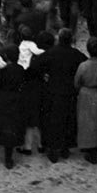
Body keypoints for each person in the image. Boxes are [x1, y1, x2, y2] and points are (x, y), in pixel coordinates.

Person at [34, 27, 84, 162]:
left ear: (58, 39)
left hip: (52, 91)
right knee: (68, 120)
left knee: (53, 121)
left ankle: (53, 148)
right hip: (69, 92)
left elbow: (35, 65)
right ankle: (65, 147)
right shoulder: (76, 54)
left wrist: (44, 75)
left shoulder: (50, 53)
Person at [74, 37, 97, 164]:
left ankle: (91, 149)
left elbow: (77, 82)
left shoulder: (84, 66)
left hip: (87, 94)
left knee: (88, 122)